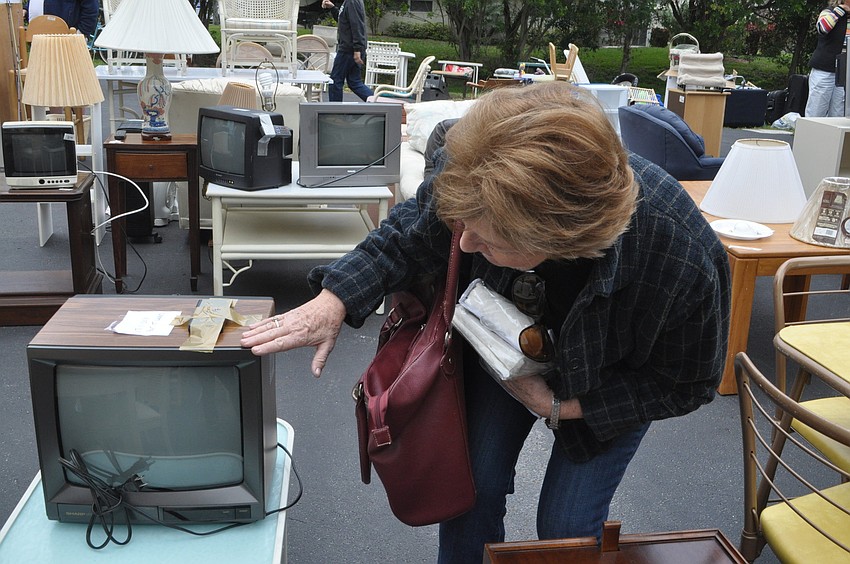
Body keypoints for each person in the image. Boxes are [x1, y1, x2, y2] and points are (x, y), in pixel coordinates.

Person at [241, 82, 730, 563]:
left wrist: (563, 406)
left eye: (489, 240)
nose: (467, 246)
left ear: (560, 240)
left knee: (565, 527)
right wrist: (336, 299)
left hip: (609, 381)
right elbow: (412, 235)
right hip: (499, 349)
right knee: (470, 489)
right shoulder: (480, 174)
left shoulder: (682, 260)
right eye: (462, 226)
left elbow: (686, 384)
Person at [321, 0, 373, 102]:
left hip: (349, 49)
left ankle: (335, 112)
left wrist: (357, 49)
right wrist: (332, 8)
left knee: (335, 81)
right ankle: (379, 102)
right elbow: (343, 21)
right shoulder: (349, 2)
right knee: (354, 82)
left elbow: (357, 25)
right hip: (352, 48)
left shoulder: (352, 2)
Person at [805, 0, 850, 117]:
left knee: (838, 113)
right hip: (824, 70)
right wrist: (841, 10)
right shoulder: (829, 12)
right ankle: (811, 135)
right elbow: (822, 28)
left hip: (843, 74)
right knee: (816, 111)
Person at [25, 0, 99, 38]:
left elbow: (91, 9)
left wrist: (81, 32)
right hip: (37, 36)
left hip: (68, 38)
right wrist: (26, 9)